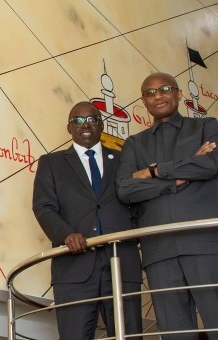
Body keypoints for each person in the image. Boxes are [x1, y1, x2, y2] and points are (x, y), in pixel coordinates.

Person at [116, 73, 218, 339]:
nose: (158, 96)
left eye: (164, 89)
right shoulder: (134, 143)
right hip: (158, 251)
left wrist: (152, 171)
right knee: (175, 335)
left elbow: (210, 164)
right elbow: (125, 189)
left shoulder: (206, 126)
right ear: (143, 100)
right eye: (150, 93)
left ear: (178, 93)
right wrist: (180, 176)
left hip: (206, 245)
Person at [33, 101, 142, 339]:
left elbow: (137, 204)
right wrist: (65, 235)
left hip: (121, 262)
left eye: (92, 120)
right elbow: (44, 207)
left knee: (130, 335)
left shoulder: (123, 160)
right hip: (74, 268)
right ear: (69, 128)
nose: (86, 125)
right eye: (78, 121)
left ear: (101, 125)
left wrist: (127, 232)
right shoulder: (51, 163)